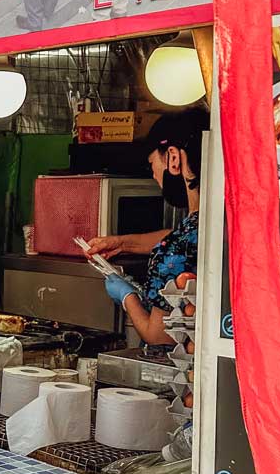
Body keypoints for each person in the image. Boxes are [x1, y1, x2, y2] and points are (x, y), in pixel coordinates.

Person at [87, 107, 208, 346]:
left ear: (173, 158)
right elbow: (180, 239)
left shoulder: (177, 247)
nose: (154, 175)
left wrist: (127, 296)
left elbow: (158, 335)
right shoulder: (217, 223)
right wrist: (122, 243)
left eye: (153, 163)